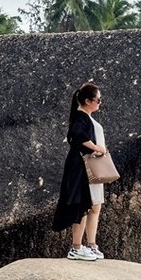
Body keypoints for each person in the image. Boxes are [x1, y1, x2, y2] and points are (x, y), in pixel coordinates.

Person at [52, 82, 109, 261]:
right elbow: (77, 136)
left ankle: (89, 245)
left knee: (91, 205)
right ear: (87, 100)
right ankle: (76, 247)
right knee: (82, 205)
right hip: (81, 165)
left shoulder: (85, 116)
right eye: (98, 100)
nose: (100, 103)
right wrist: (97, 148)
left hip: (88, 165)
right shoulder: (80, 116)